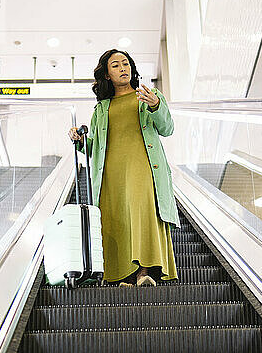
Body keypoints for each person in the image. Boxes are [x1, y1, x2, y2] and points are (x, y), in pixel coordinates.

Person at [68, 49, 181, 287]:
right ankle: (124, 276)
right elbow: (94, 147)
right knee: (117, 217)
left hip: (143, 167)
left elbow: (168, 128)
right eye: (116, 65)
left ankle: (144, 273)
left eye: (126, 63)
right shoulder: (102, 108)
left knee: (142, 214)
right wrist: (79, 141)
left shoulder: (148, 96)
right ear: (107, 75)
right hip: (110, 174)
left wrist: (156, 105)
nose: (123, 68)